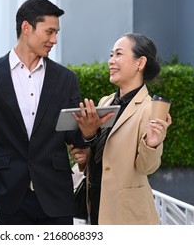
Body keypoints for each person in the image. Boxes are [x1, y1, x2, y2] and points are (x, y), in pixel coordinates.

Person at [0, 0, 114, 225]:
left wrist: (88, 132)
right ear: (26, 28)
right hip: (8, 194)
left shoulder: (66, 79)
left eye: (56, 33)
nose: (54, 40)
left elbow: (71, 136)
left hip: (56, 196)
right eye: (49, 32)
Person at [70, 33, 172, 225]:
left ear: (140, 63)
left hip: (128, 215)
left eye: (118, 54)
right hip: (97, 203)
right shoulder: (106, 102)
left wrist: (152, 144)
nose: (111, 61)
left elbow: (146, 168)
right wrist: (85, 155)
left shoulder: (149, 109)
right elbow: (104, 154)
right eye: (111, 55)